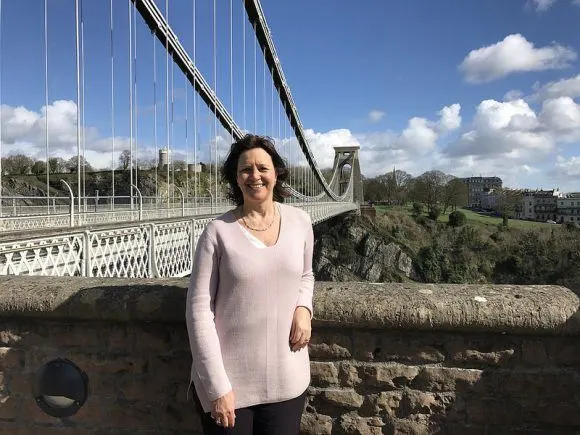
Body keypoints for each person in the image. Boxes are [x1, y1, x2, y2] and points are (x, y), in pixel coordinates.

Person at [186, 134, 314, 435]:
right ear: (236, 178)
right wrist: (217, 386)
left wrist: (304, 308)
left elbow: (306, 275)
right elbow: (198, 312)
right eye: (245, 169)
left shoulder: (300, 221)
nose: (254, 176)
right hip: (229, 386)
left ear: (276, 173)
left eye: (262, 168)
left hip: (287, 380)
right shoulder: (217, 232)